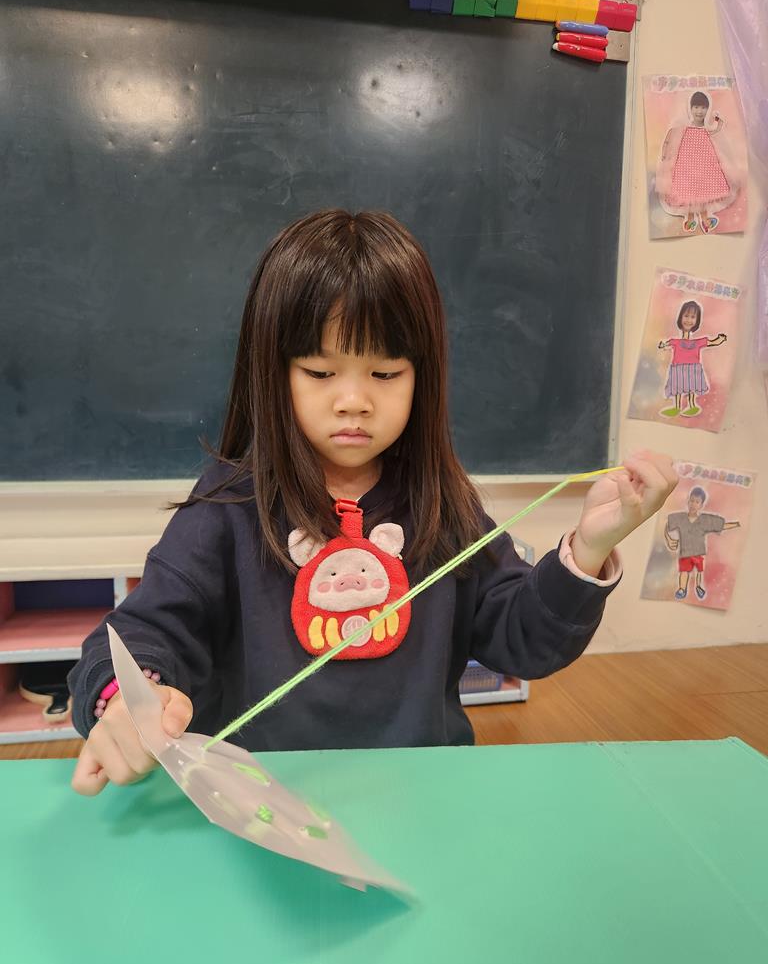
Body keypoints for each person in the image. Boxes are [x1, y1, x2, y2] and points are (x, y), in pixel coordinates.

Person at [68, 209, 677, 796]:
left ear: (422, 377)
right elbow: (141, 633)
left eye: (385, 374)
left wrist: (588, 550)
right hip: (263, 803)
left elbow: (524, 640)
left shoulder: (443, 507)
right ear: (274, 372)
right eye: (320, 372)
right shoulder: (227, 507)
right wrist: (127, 700)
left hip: (422, 798)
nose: (354, 401)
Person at [657, 90, 738, 234]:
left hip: (705, 165)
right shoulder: (683, 128)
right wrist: (665, 154)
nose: (699, 111)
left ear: (708, 109)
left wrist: (718, 119)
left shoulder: (707, 129)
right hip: (686, 164)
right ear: (690, 108)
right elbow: (671, 138)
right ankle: (689, 218)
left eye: (703, 107)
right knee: (687, 188)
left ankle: (704, 218)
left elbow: (717, 129)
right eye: (696, 107)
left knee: (703, 189)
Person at [665, 485, 740, 601]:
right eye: (691, 501)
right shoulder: (680, 518)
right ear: (688, 501)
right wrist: (669, 539)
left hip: (698, 553)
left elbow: (721, 526)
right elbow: (668, 524)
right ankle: (682, 589)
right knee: (684, 572)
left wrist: (736, 524)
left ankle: (699, 586)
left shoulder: (705, 520)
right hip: (685, 553)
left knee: (699, 571)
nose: (693, 504)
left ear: (701, 505)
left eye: (697, 502)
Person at [657, 300, 727, 417]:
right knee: (677, 387)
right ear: (680, 317)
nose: (689, 320)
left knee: (692, 387)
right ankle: (677, 407)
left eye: (693, 317)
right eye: (686, 316)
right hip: (677, 368)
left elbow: (712, 342)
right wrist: (662, 345)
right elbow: (665, 344)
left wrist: (721, 339)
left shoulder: (698, 342)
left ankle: (692, 405)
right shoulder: (675, 341)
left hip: (693, 368)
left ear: (697, 320)